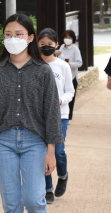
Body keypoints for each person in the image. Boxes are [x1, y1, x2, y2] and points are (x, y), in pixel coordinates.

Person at [0, 14, 62, 213]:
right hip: (3, 143)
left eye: (18, 34)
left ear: (30, 37)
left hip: (35, 142)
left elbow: (51, 113)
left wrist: (51, 152)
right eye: (8, 34)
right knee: (11, 204)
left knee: (34, 201)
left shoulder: (43, 71)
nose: (12, 38)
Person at [37, 28, 75, 205]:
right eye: (42, 44)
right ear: (37, 44)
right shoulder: (33, 65)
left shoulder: (63, 66)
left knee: (58, 151)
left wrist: (60, 101)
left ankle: (62, 175)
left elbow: (70, 91)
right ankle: (47, 189)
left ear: (56, 45)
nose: (46, 47)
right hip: (38, 117)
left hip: (60, 115)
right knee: (42, 154)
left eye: (49, 44)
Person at [56, 30, 83, 121]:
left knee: (70, 98)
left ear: (73, 39)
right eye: (66, 37)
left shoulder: (75, 49)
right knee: (61, 96)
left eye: (69, 38)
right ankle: (61, 115)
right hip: (61, 76)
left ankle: (68, 117)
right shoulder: (62, 47)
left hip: (72, 76)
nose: (67, 39)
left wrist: (69, 64)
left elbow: (79, 63)